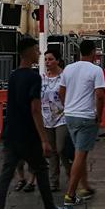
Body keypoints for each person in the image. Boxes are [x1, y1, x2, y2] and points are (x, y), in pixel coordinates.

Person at [0, 38, 72, 209]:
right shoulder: (34, 78)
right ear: (28, 52)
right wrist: (44, 138)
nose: (39, 53)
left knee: (6, 175)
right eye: (36, 49)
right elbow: (35, 109)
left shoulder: (13, 76)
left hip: (11, 132)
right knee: (41, 170)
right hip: (28, 134)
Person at [60, 40, 105, 205]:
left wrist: (68, 105)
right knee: (80, 154)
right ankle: (70, 193)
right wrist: (99, 115)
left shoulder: (69, 68)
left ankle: (85, 186)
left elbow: (61, 91)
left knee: (81, 153)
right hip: (86, 116)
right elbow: (100, 95)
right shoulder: (96, 70)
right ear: (93, 52)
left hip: (70, 115)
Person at [41, 49, 71, 192]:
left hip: (62, 116)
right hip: (47, 118)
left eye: (50, 59)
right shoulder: (42, 78)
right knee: (51, 151)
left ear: (57, 61)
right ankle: (54, 181)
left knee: (61, 148)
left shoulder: (65, 76)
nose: (48, 62)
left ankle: (71, 175)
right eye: (46, 59)